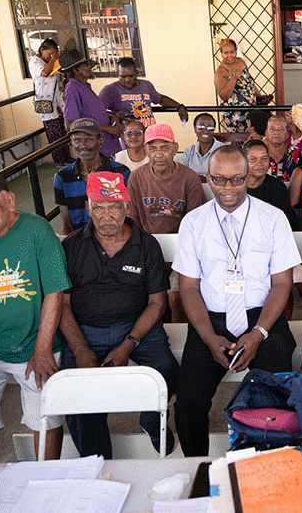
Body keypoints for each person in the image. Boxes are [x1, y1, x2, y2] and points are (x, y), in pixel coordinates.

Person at [173, 145, 300, 456]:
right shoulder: (193, 222)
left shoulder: (273, 218)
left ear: (249, 177)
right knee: (188, 405)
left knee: (275, 402)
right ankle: (199, 470)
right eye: (218, 180)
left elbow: (283, 283)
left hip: (263, 319)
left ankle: (270, 467)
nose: (227, 188)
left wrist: (258, 334)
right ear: (207, 178)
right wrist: (208, 337)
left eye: (236, 180)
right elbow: (188, 288)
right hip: (210, 321)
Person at [59, 172, 180, 458]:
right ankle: (97, 462)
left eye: (114, 206)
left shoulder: (146, 244)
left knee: (167, 370)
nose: (106, 216)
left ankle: (151, 419)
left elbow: (156, 302)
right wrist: (80, 348)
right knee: (76, 392)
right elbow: (62, 304)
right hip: (85, 328)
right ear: (88, 208)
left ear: (126, 207)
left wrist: (128, 344)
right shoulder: (71, 246)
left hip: (139, 327)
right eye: (98, 207)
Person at [0, 169, 71, 463]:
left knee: (43, 419)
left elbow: (54, 294)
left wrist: (43, 349)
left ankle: (44, 479)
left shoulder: (37, 230)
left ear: (9, 199)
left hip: (36, 345)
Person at [54, 118, 130, 234]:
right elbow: (67, 223)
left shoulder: (120, 172)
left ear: (100, 141)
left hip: (114, 236)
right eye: (77, 140)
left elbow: (128, 213)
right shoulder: (62, 177)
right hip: (79, 240)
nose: (83, 145)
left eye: (89, 139)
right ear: (71, 143)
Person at [127, 123, 206, 235]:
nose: (158, 155)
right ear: (146, 151)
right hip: (146, 242)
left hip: (180, 240)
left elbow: (195, 221)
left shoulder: (189, 178)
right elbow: (132, 219)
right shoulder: (136, 177)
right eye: (152, 149)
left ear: (175, 149)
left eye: (165, 148)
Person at [59, 49, 122, 157]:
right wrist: (107, 128)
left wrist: (112, 116)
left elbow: (91, 111)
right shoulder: (72, 88)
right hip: (100, 152)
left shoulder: (83, 86)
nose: (90, 67)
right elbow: (71, 125)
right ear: (76, 70)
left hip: (109, 146)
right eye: (86, 65)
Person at [99, 56, 188, 127]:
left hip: (150, 134)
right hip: (131, 138)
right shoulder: (110, 90)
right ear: (117, 74)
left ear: (137, 73)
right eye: (123, 77)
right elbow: (96, 110)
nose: (127, 80)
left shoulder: (146, 85)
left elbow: (160, 99)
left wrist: (179, 106)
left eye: (131, 76)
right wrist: (115, 115)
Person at [28, 38, 70, 165]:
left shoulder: (52, 62)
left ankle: (67, 159)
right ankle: (59, 161)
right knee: (54, 134)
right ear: (42, 50)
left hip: (58, 102)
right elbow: (45, 72)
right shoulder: (35, 61)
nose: (51, 56)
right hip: (46, 104)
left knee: (63, 132)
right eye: (49, 53)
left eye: (54, 54)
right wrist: (53, 59)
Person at [244, 139, 296, 229]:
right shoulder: (236, 186)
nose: (259, 164)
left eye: (264, 159)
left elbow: (283, 220)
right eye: (253, 159)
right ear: (243, 161)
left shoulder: (277, 186)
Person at [214, 38, 261, 133]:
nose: (229, 56)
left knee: (253, 136)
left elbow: (250, 82)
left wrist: (260, 97)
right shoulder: (221, 70)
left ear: (236, 51)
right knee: (238, 139)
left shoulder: (241, 62)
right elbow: (223, 95)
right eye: (226, 53)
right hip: (235, 113)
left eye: (232, 52)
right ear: (221, 53)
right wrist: (234, 78)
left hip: (251, 109)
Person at [264, 115, 302, 182]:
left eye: (281, 129)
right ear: (266, 133)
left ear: (287, 134)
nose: (276, 132)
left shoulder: (295, 153)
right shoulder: (260, 152)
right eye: (272, 129)